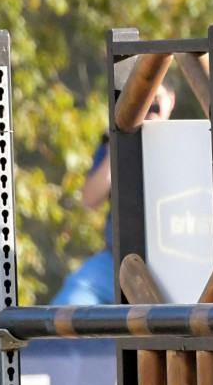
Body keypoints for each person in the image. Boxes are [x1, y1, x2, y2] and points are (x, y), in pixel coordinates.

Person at [49, 83, 176, 305]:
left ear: (171, 100)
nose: (151, 105)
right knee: (68, 308)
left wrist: (160, 138)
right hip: (115, 262)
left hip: (171, 262)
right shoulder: (115, 142)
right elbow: (89, 200)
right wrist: (116, 148)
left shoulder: (186, 142)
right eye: (145, 99)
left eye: (157, 98)